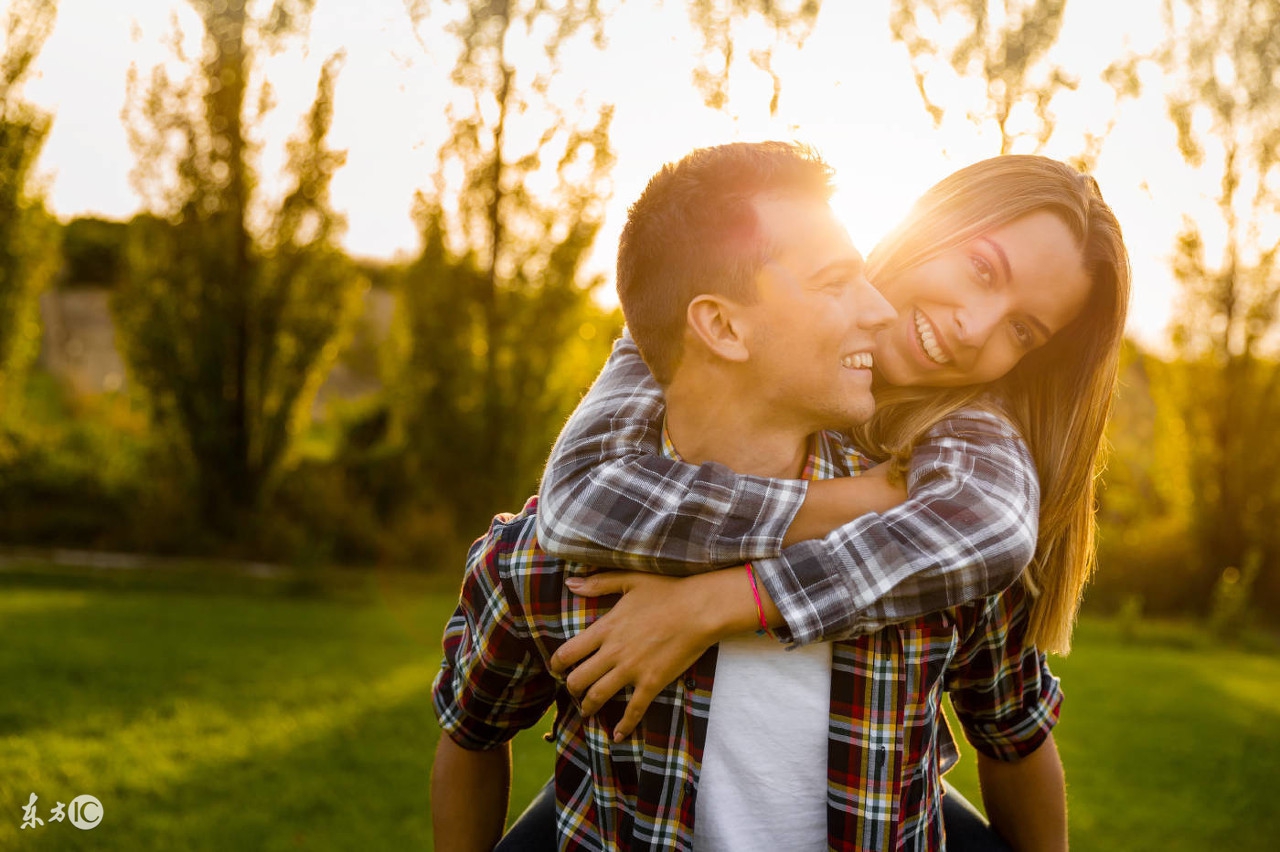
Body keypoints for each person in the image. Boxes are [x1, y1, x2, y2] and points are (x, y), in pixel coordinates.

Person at [432, 141, 1104, 851]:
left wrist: (725, 601)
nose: (973, 327)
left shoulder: (947, 510)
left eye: (1023, 331)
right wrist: (851, 501)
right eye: (979, 267)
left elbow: (1012, 711)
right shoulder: (555, 552)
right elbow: (582, 501)